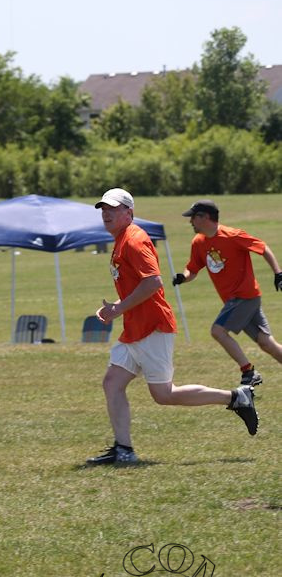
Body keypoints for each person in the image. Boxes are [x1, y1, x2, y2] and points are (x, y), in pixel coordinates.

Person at [86, 188, 258, 466]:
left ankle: (236, 397)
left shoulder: (134, 240)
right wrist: (115, 307)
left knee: (164, 395)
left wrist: (118, 308)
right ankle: (123, 449)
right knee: (112, 383)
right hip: (135, 328)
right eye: (103, 209)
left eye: (113, 208)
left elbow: (153, 282)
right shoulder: (121, 240)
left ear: (129, 213)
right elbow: (137, 287)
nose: (106, 214)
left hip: (153, 327)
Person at [171, 199, 282, 387]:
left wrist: (278, 273)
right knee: (266, 343)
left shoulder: (232, 235)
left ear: (205, 217)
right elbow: (193, 269)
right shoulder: (198, 242)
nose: (190, 222)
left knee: (218, 331)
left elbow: (263, 248)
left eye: (193, 217)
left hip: (244, 296)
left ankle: (248, 371)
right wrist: (183, 277)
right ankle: (250, 371)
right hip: (236, 300)